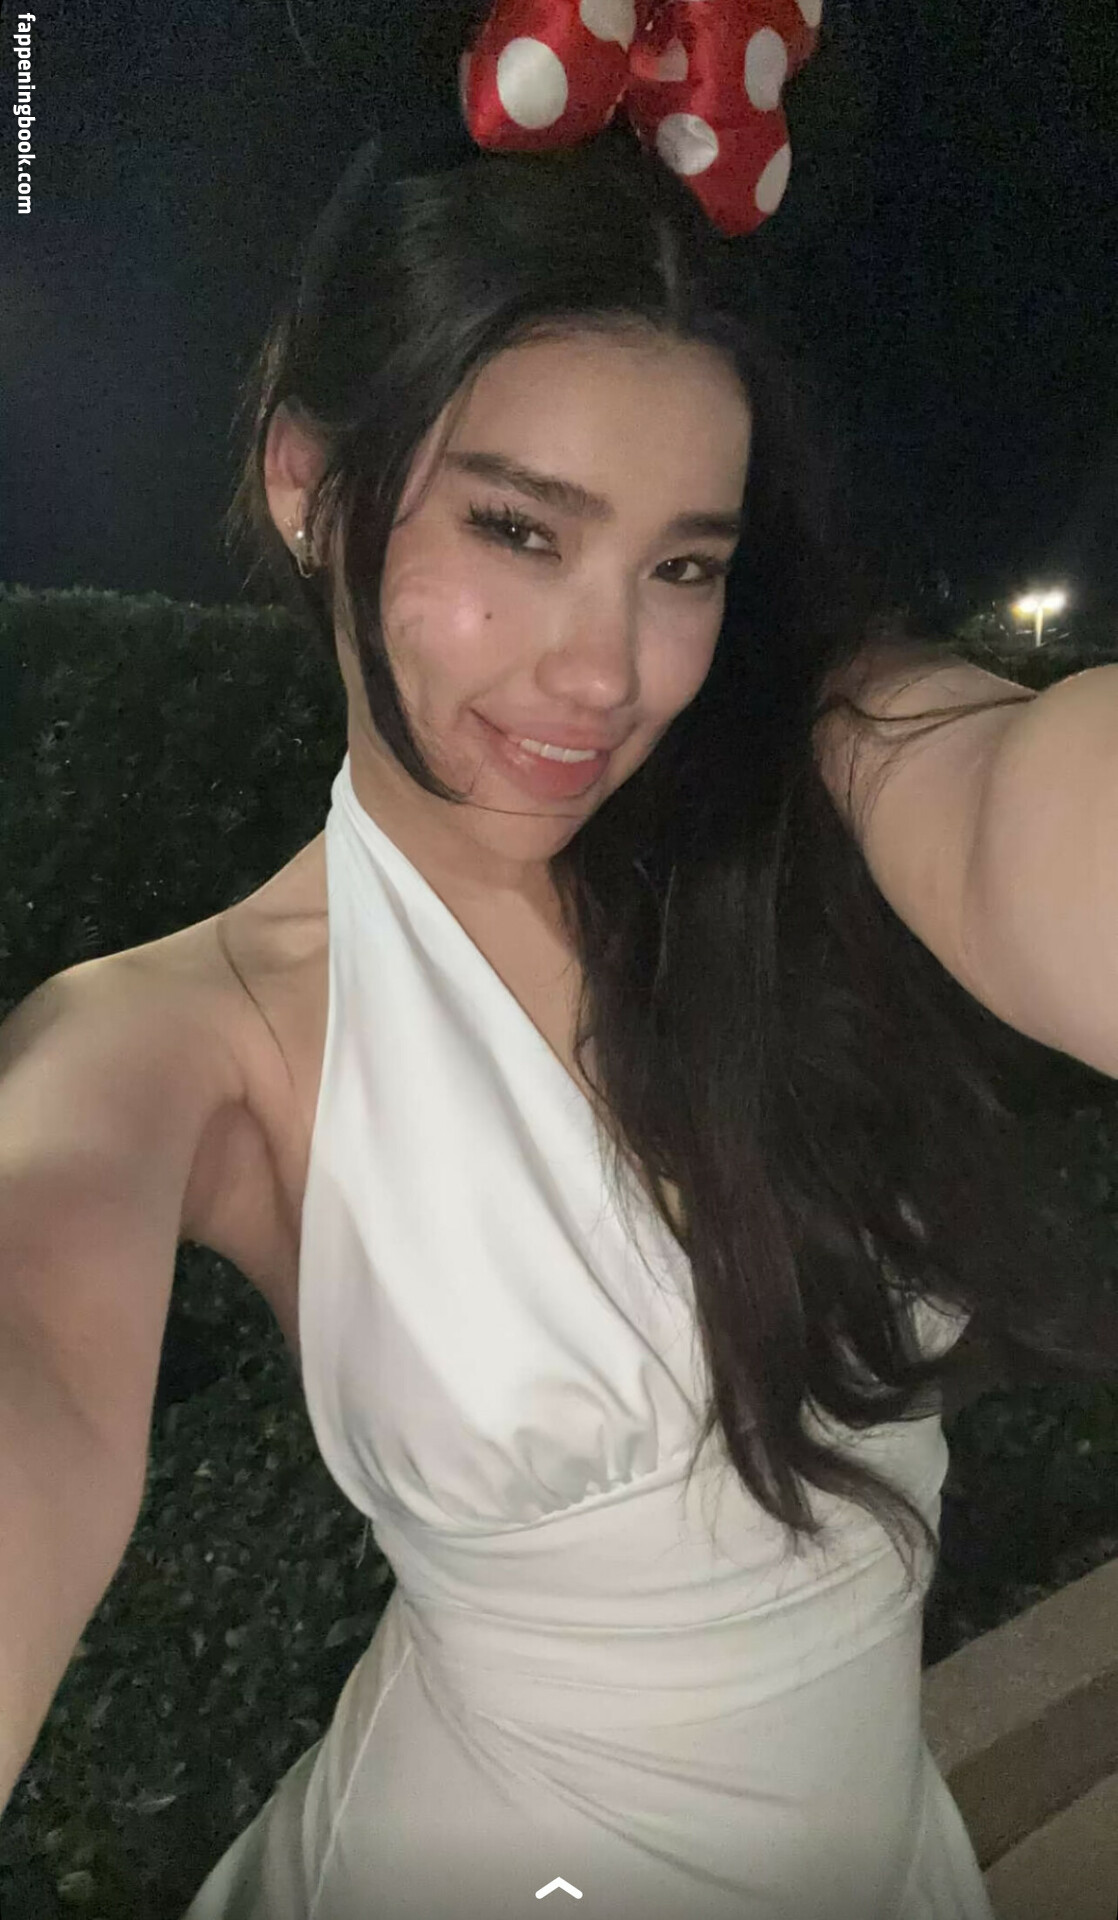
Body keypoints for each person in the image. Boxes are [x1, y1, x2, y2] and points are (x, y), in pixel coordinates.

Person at [2, 21, 1115, 1920]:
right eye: (518, 529)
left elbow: (1034, 808)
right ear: (310, 486)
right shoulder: (187, 1034)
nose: (604, 675)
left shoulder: (804, 789)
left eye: (682, 567)